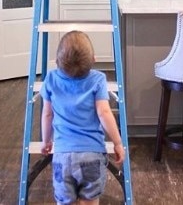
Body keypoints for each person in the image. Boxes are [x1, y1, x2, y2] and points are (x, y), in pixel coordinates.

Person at [40, 30, 125, 205]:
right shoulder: (98, 80)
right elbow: (104, 112)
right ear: (94, 59)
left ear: (57, 61)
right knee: (90, 200)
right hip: (91, 155)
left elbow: (47, 114)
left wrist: (45, 141)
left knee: (65, 201)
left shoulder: (51, 79)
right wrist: (117, 143)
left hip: (62, 155)